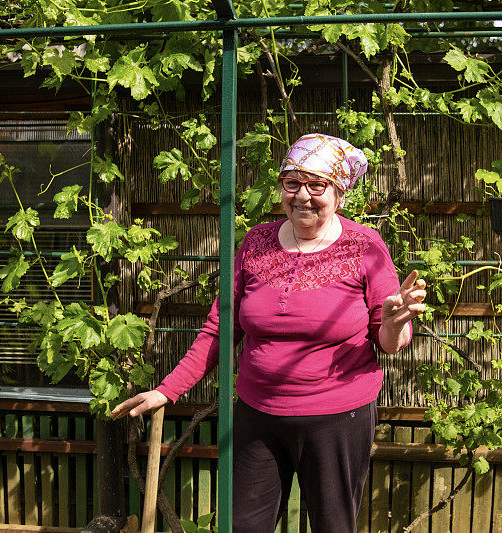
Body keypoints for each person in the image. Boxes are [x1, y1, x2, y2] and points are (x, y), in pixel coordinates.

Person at [111, 133, 426, 533]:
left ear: (341, 193)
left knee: (333, 527)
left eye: (317, 185)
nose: (302, 196)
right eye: (292, 183)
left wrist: (396, 322)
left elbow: (390, 341)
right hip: (258, 415)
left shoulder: (365, 246)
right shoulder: (257, 242)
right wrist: (167, 390)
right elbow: (222, 326)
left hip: (336, 418)